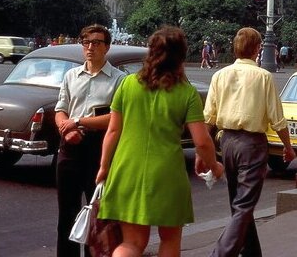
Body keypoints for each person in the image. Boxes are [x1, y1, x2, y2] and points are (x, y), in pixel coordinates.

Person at [96, 26, 224, 256]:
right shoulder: (186, 92)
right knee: (169, 240)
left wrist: (104, 167)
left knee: (131, 243)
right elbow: (202, 141)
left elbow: (113, 131)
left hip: (126, 169)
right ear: (181, 55)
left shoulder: (128, 84)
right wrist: (213, 166)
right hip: (167, 173)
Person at [203, 27, 295, 257]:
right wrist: (288, 147)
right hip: (252, 143)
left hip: (227, 142)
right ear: (257, 49)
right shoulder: (263, 76)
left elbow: (208, 119)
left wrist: (203, 150)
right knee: (244, 205)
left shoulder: (219, 75)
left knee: (239, 203)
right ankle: (221, 253)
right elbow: (277, 119)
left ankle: (251, 252)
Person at [54, 24, 125, 257]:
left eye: (96, 42)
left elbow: (116, 119)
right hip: (70, 147)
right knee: (67, 212)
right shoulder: (71, 76)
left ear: (107, 47)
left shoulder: (119, 80)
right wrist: (67, 129)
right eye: (86, 42)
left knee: (99, 213)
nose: (90, 47)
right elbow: (60, 110)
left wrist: (79, 122)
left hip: (100, 148)